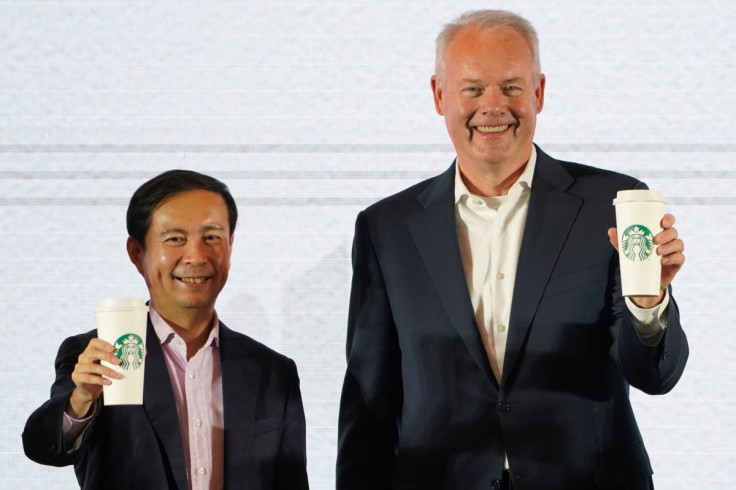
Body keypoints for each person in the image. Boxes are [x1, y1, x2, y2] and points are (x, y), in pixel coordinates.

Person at [336, 10, 687, 490]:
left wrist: (648, 304)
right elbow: (369, 402)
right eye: (473, 89)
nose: (493, 106)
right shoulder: (387, 228)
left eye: (512, 87)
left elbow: (654, 376)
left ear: (539, 93)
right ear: (439, 96)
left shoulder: (613, 206)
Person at [23, 170, 309, 490]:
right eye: (175, 239)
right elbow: (42, 446)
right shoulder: (95, 352)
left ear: (231, 246)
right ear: (137, 253)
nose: (196, 256)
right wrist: (80, 401)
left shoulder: (273, 372)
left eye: (212, 237)